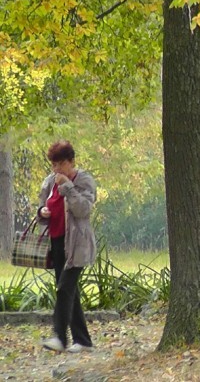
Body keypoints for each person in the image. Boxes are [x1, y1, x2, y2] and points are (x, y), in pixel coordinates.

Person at [37, 140, 97, 353]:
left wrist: (68, 187)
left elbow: (83, 209)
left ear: (71, 162)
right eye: (53, 165)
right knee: (70, 292)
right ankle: (83, 341)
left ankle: (60, 338)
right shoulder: (49, 182)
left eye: (60, 164)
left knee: (64, 289)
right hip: (57, 242)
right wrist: (42, 212)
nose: (56, 169)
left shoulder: (83, 180)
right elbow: (44, 208)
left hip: (77, 244)